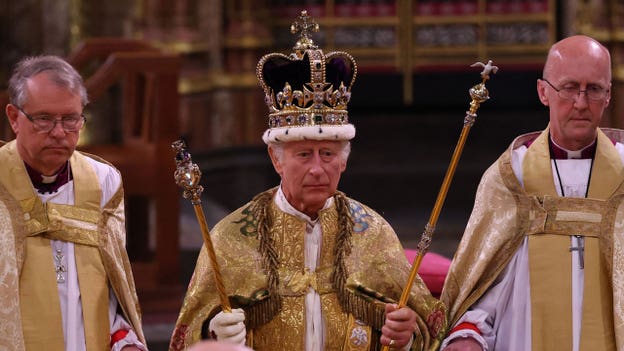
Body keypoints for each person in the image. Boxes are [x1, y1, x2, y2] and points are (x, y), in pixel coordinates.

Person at [169, 11, 446, 351]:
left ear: (343, 161)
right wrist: (214, 333)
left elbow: (428, 329)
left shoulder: (373, 232)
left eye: (327, 154)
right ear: (276, 159)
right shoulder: (231, 238)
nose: (317, 168)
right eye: (303, 155)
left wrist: (406, 336)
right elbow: (185, 338)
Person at [440, 35, 624, 351]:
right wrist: (468, 333)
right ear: (543, 92)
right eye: (568, 88)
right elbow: (484, 284)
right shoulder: (513, 176)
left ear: (608, 96)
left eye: (594, 89)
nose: (581, 102)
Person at [0, 55, 147, 350]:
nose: (58, 132)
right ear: (14, 118)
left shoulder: (103, 182)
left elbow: (110, 288)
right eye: (43, 119)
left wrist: (124, 341)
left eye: (70, 119)